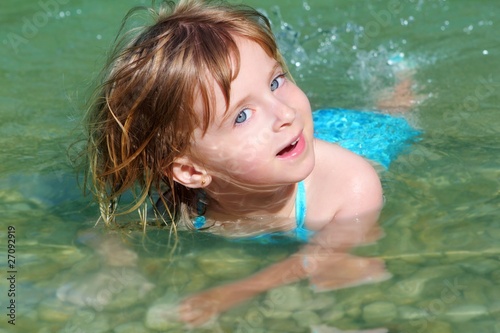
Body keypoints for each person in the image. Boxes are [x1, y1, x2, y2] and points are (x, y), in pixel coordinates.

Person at [84, 0, 418, 327]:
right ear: (191, 171)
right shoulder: (178, 201)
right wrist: (115, 264)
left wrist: (231, 293)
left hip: (361, 136)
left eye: (276, 82)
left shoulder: (350, 186)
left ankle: (402, 81)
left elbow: (322, 258)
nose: (286, 114)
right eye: (242, 116)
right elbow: (109, 226)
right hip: (283, 149)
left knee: (394, 116)